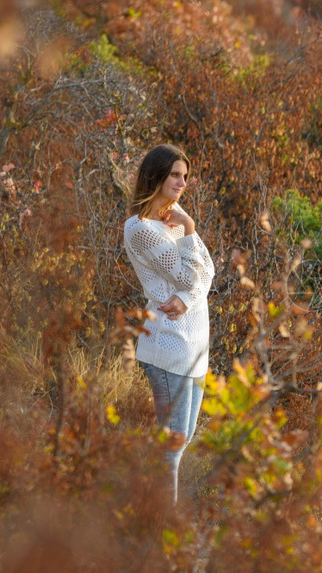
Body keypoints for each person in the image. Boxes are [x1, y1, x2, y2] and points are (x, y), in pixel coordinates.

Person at [123, 144, 215, 504]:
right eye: (175, 174)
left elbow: (207, 272)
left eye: (185, 176)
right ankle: (161, 529)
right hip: (166, 345)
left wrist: (188, 298)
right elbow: (185, 274)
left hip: (194, 346)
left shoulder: (175, 217)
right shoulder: (141, 227)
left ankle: (146, 512)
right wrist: (190, 228)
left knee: (181, 440)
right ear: (157, 174)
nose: (181, 182)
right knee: (171, 447)